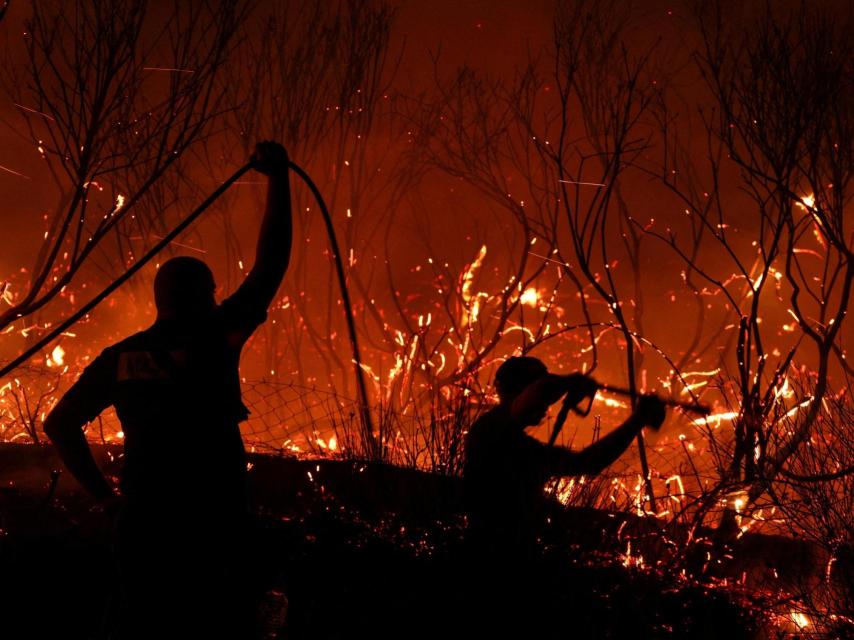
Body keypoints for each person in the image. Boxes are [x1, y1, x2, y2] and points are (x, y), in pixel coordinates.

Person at [43, 141, 292, 638]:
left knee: (144, 626)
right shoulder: (217, 336)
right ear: (208, 295)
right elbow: (269, 267)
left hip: (144, 521)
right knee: (216, 626)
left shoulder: (120, 358)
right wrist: (279, 179)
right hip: (213, 520)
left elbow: (59, 424)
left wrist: (106, 499)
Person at [463, 356, 666, 554]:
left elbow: (588, 463)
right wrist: (568, 382)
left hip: (501, 550)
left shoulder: (512, 441)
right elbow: (536, 395)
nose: (546, 406)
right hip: (495, 554)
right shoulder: (492, 432)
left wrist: (637, 421)